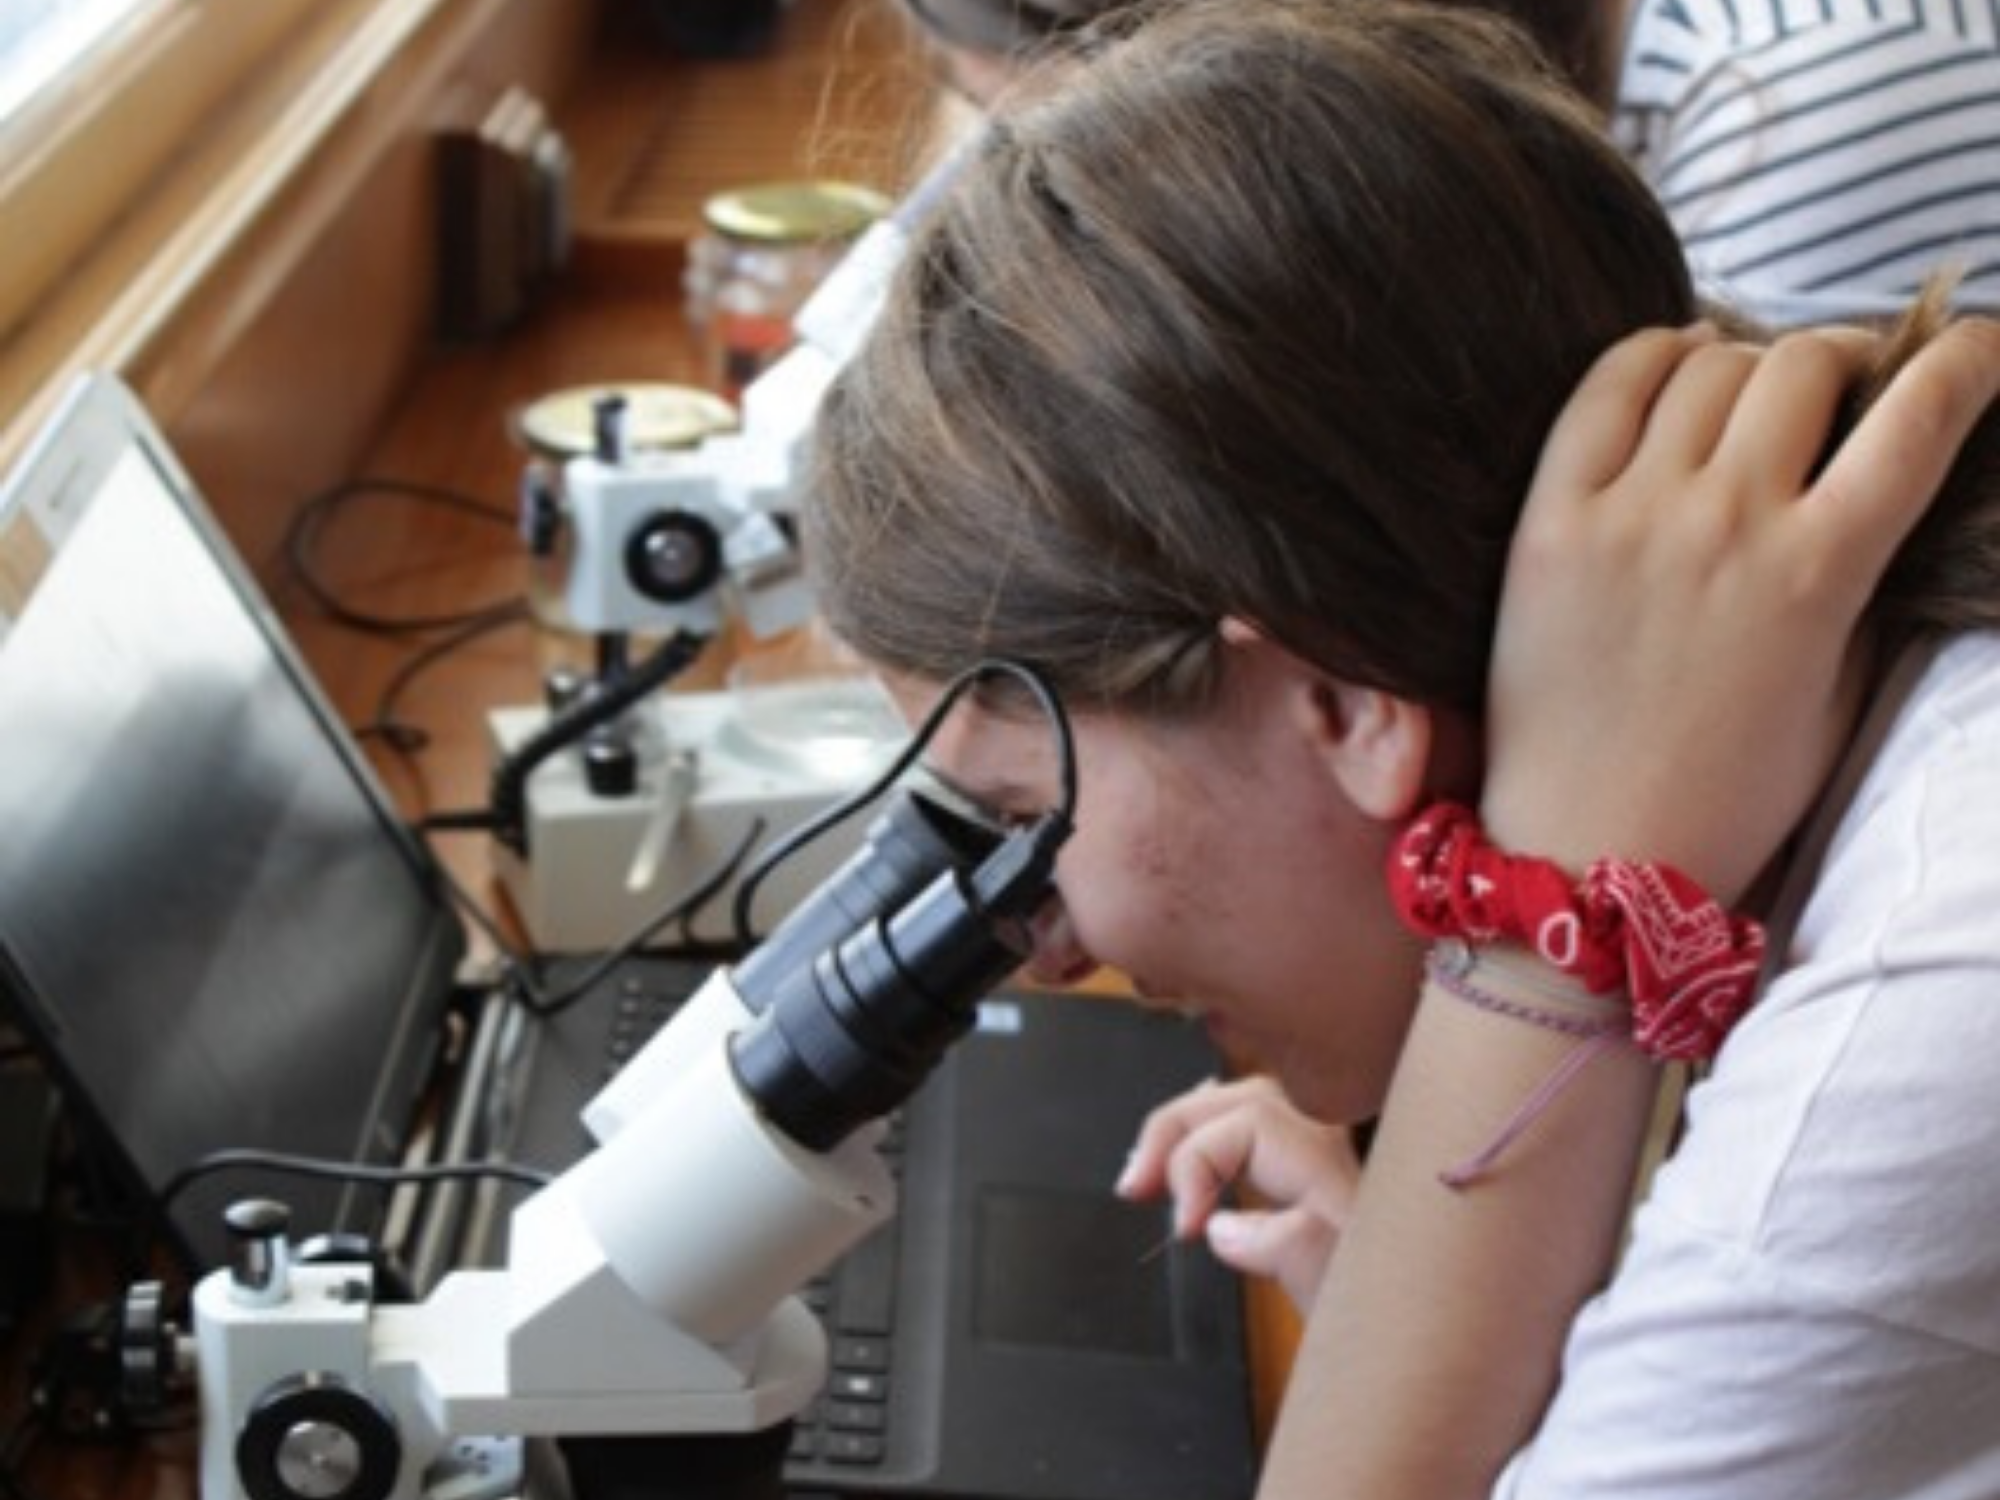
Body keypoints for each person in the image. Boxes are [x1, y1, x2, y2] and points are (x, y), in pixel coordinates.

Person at [801, 1, 2000, 1494]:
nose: (1042, 954)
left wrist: (1553, 916)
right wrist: (1439, 1291)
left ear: (1348, 705)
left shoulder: (1932, 980)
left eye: (1023, 814)